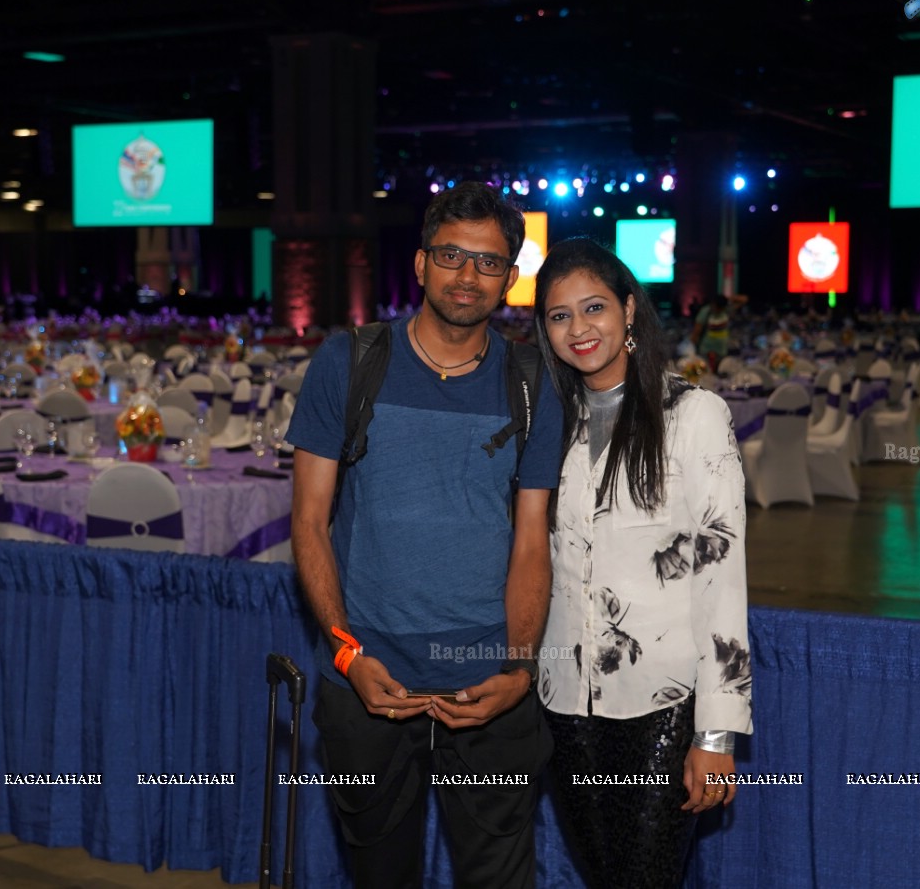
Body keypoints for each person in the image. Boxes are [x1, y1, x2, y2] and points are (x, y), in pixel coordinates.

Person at [287, 181, 563, 889]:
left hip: (489, 685)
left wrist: (520, 671)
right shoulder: (347, 362)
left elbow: (533, 544)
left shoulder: (532, 382)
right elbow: (309, 521)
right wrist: (348, 657)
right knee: (379, 872)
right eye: (450, 256)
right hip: (366, 678)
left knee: (497, 877)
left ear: (510, 275)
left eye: (488, 262)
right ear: (418, 264)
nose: (467, 277)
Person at [533, 238, 752, 887]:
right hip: (565, 702)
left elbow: (722, 577)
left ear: (629, 309)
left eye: (593, 307)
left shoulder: (693, 416)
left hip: (663, 702)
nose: (579, 328)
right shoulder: (548, 426)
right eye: (559, 315)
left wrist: (714, 736)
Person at [691, 292, 746, 371]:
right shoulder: (706, 311)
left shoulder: (726, 309)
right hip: (706, 350)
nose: (718, 310)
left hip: (721, 350)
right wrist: (694, 348)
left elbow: (744, 299)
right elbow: (697, 330)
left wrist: (728, 299)